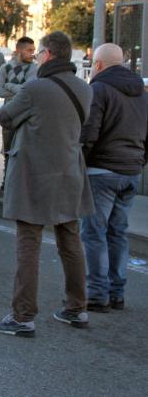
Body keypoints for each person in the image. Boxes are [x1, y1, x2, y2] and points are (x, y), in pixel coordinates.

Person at [0, 31, 94, 337]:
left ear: (47, 54)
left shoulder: (35, 88)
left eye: (39, 54)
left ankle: (23, 316)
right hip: (69, 173)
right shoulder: (84, 89)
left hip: (34, 174)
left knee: (28, 244)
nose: (36, 58)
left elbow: (6, 117)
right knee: (71, 242)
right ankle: (77, 308)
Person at [79, 43, 148, 312]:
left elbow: (89, 133)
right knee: (118, 232)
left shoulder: (99, 89)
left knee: (94, 233)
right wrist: (139, 161)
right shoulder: (142, 93)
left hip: (101, 171)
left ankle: (97, 294)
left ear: (97, 64)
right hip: (131, 170)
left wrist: (81, 164)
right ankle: (117, 292)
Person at [0, 37, 37, 199]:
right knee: (8, 152)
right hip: (9, 115)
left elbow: (28, 90)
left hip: (27, 116)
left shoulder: (34, 69)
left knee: (25, 152)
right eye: (29, 50)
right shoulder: (5, 68)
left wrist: (8, 85)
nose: (32, 54)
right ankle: (6, 186)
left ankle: (23, 190)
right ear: (19, 50)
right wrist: (16, 89)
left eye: (33, 50)